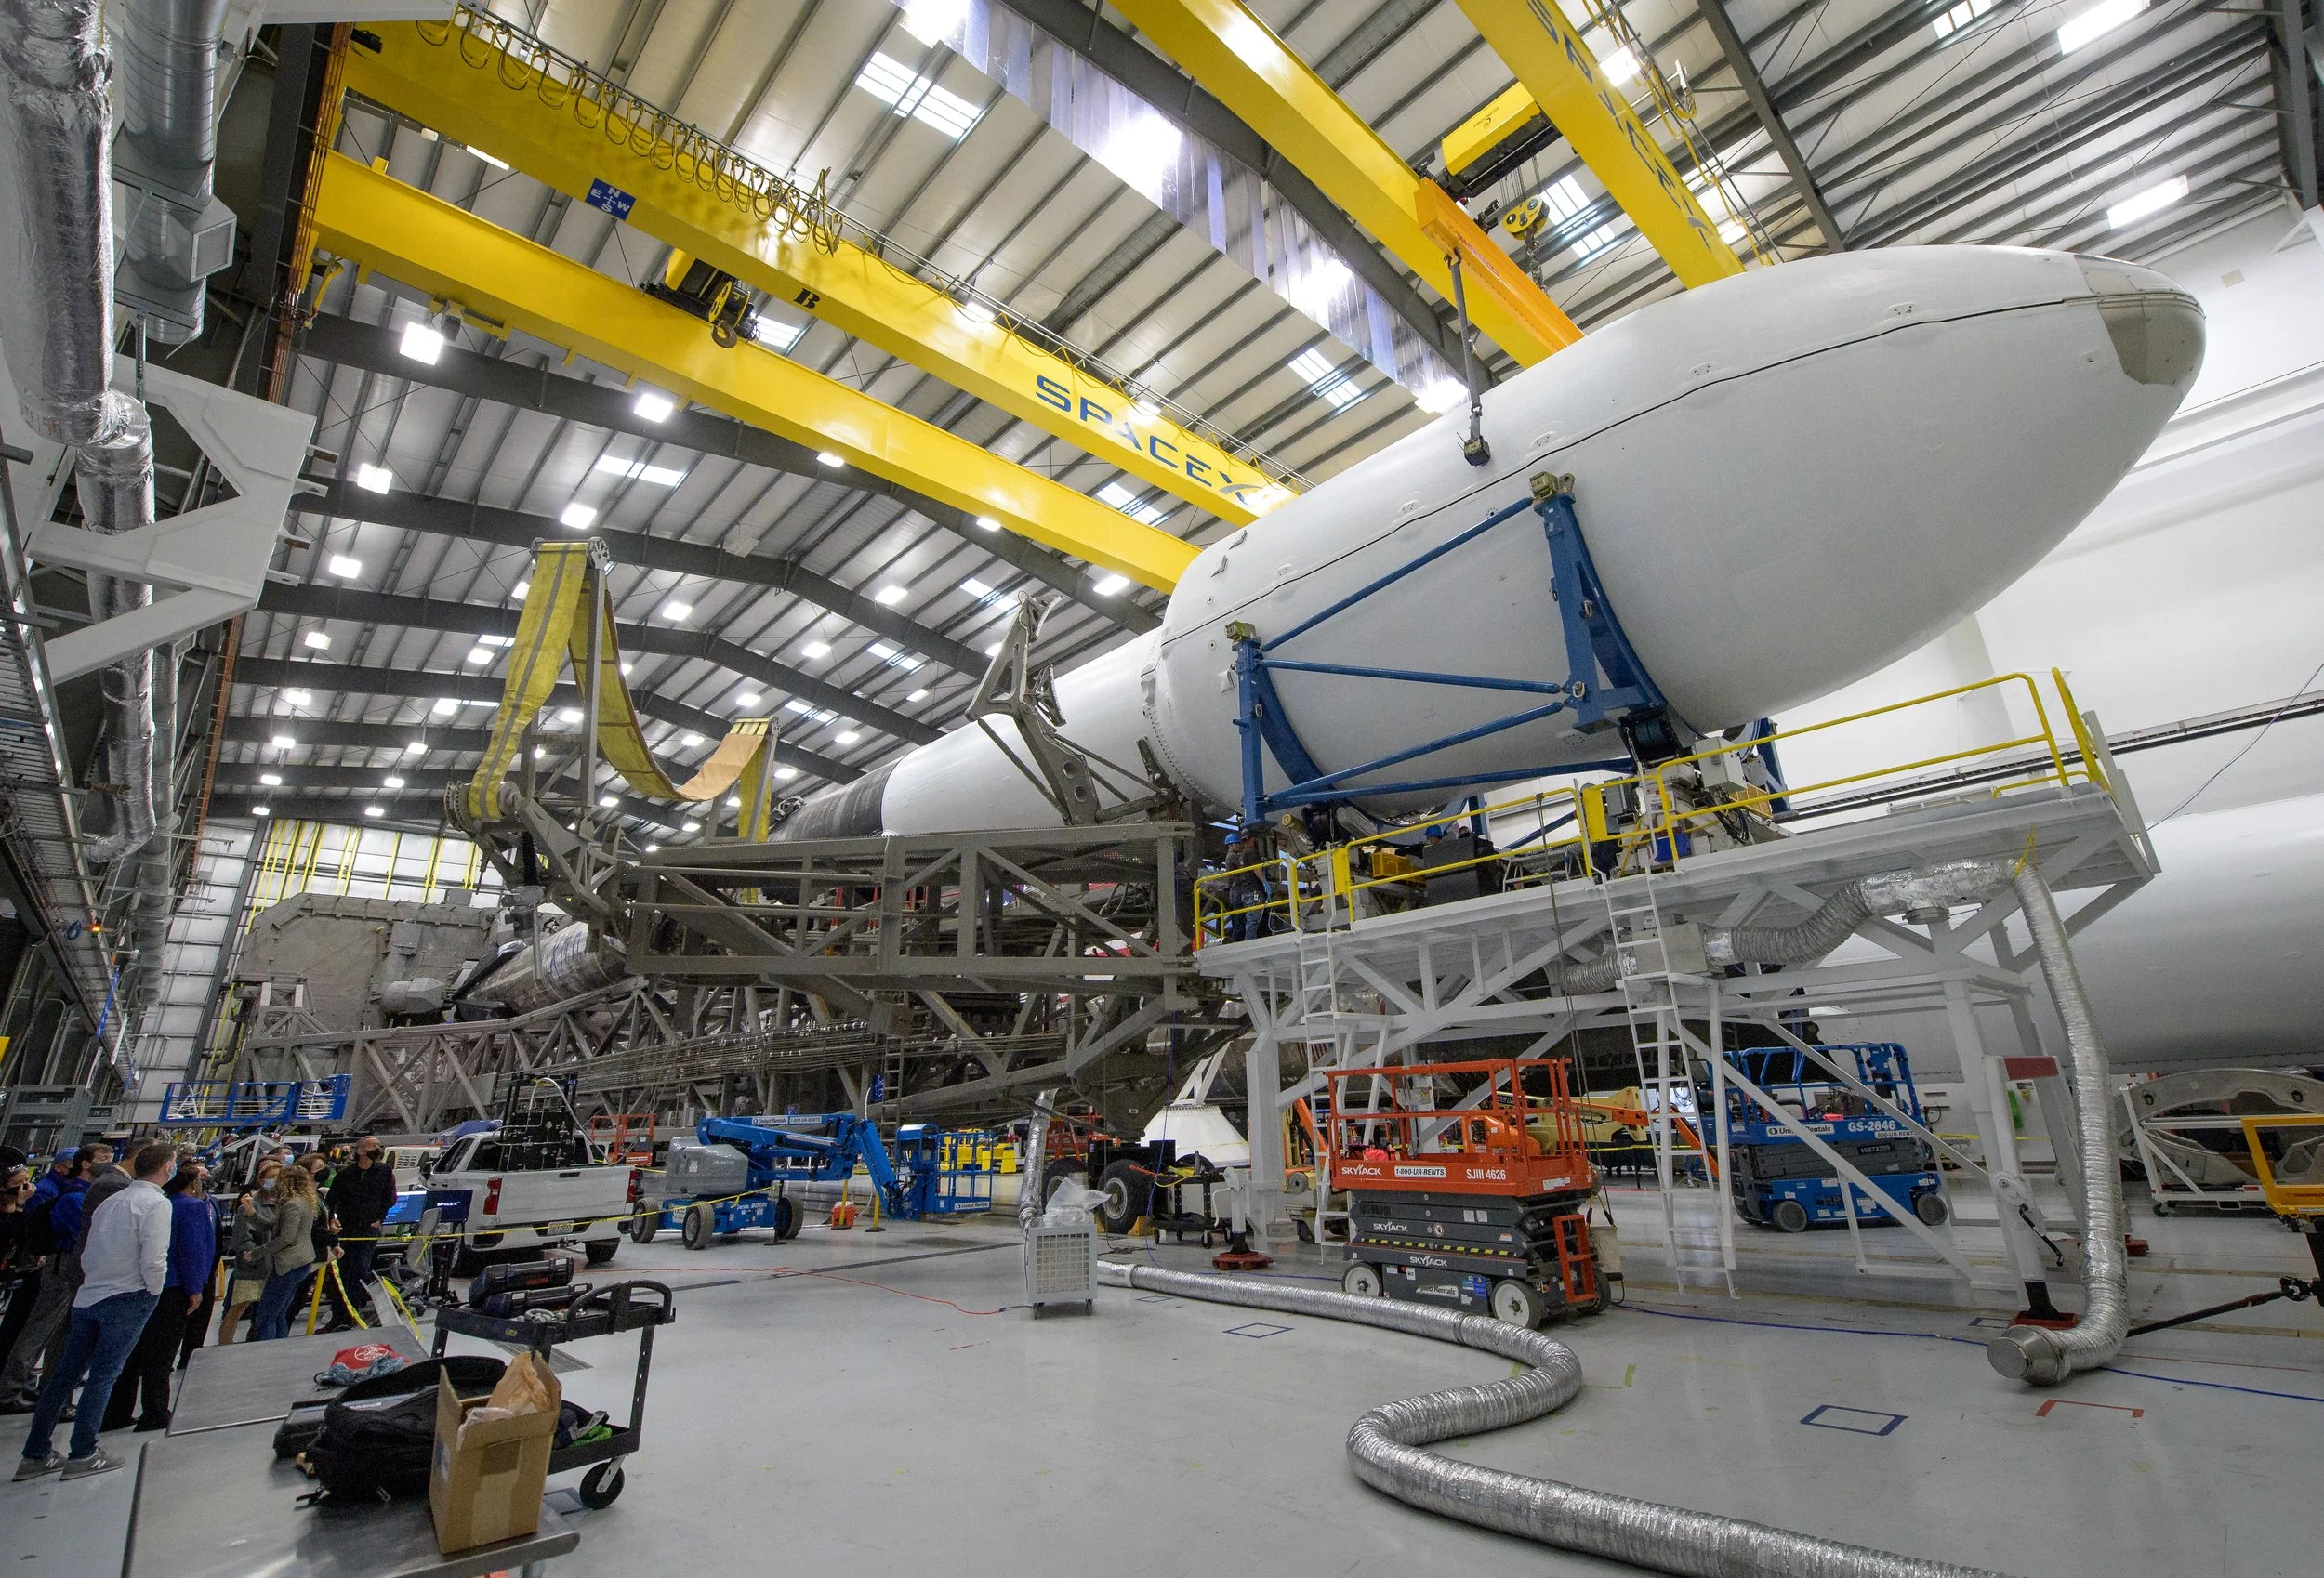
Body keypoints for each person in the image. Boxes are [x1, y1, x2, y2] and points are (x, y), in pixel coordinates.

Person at [12, 1141, 175, 1481]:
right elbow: (154, 1257)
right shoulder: (155, 1204)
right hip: (128, 1296)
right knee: (102, 1377)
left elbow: (86, 1249)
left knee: (62, 1379)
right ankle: (84, 1452)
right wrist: (153, 1292)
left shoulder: (109, 1200)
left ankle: (35, 1454)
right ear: (165, 1167)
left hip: (90, 1295)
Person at [101, 1160, 214, 1432]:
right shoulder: (191, 1207)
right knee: (161, 1355)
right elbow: (192, 1251)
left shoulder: (147, 1202)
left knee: (131, 1351)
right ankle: (155, 1412)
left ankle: (116, 1412)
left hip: (137, 1285)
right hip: (171, 1287)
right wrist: (195, 1288)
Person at [0, 1143, 110, 1410]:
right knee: (37, 1329)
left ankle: (23, 1383)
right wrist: (18, 1209)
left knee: (48, 1330)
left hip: (47, 1267)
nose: (26, 1187)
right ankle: (11, 1388)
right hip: (57, 1268)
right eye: (18, 1183)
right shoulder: (66, 1195)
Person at [322, 1135, 394, 1330]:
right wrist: (332, 1220)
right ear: (360, 1150)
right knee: (342, 1273)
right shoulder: (345, 1174)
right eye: (373, 1145)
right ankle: (339, 1317)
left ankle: (354, 1313)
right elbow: (331, 1200)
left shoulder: (384, 1171)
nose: (377, 1148)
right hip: (347, 1229)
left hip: (369, 1230)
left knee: (360, 1270)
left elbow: (390, 1197)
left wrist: (380, 1219)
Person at [247, 1163, 320, 1341]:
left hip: (288, 1266)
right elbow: (273, 1225)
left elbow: (285, 1238)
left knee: (266, 1316)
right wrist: (252, 1214)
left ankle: (266, 1352)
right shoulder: (302, 1202)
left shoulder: (292, 1205)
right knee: (280, 1313)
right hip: (301, 1263)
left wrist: (256, 1253)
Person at [215, 1161, 282, 1345]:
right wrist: (256, 1257)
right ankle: (224, 1346)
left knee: (266, 1312)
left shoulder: (283, 1205)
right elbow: (243, 1240)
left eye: (279, 1178)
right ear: (260, 1180)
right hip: (252, 1268)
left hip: (275, 1268)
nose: (275, 1182)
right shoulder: (249, 1205)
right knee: (237, 1309)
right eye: (271, 1178)